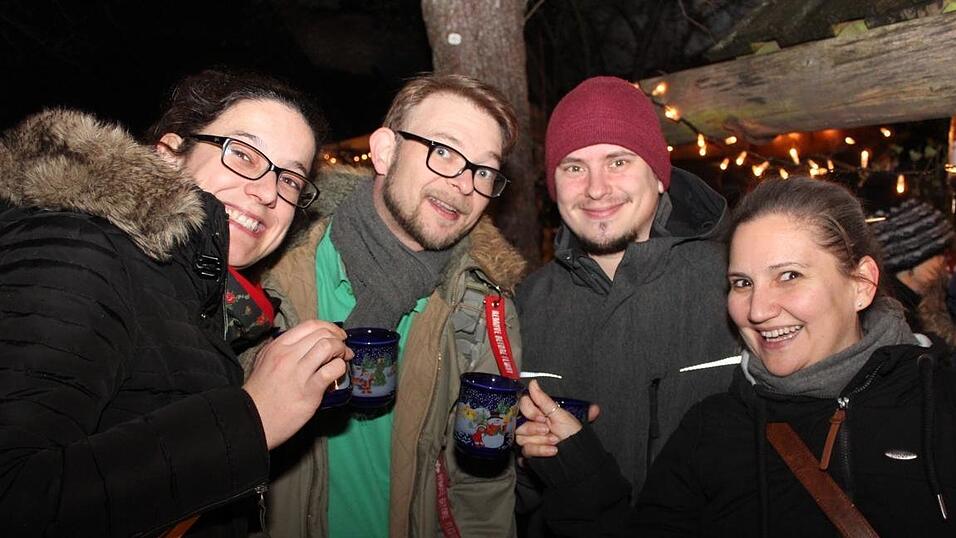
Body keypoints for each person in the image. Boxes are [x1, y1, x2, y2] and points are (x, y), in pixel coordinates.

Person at [0, 69, 352, 537]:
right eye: (243, 154)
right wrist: (254, 417)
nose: (268, 192)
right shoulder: (78, 248)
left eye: (290, 179)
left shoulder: (197, 294)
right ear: (168, 155)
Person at [517, 177, 956, 537]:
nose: (757, 310)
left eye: (789, 275)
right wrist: (581, 469)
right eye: (742, 283)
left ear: (861, 284)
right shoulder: (713, 428)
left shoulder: (940, 402)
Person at [253, 73, 527, 537]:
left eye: (483, 171)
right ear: (384, 151)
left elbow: (482, 489)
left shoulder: (483, 310)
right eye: (444, 151)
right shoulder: (271, 272)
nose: (465, 185)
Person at [514, 75, 739, 531]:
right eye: (574, 167)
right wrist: (522, 462)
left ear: (658, 175)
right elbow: (510, 495)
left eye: (618, 161)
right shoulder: (524, 305)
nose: (596, 189)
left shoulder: (736, 283)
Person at [869, 199, 956, 349]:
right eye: (939, 254)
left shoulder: (924, 304)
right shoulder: (895, 323)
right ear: (910, 262)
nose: (944, 262)